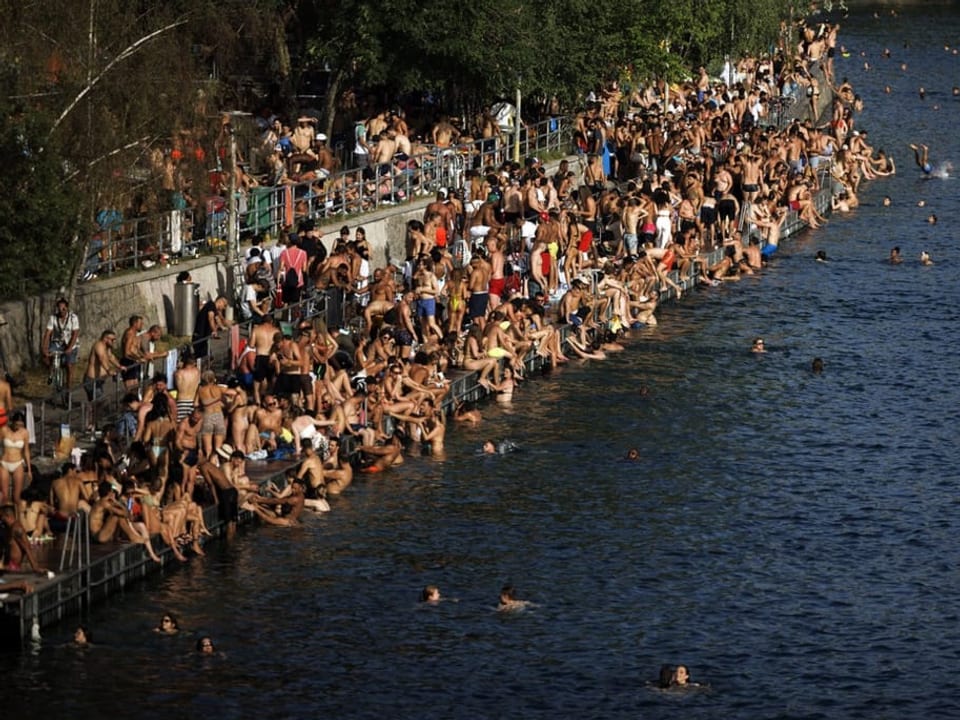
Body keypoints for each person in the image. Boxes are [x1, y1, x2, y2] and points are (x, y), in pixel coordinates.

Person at [42, 297, 80, 390]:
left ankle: (68, 387)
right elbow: (47, 334)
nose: (61, 310)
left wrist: (70, 348)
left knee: (69, 365)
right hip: (57, 344)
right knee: (46, 358)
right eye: (59, 308)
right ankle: (51, 373)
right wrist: (44, 349)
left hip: (71, 344)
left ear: (67, 308)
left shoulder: (73, 318)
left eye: (63, 308)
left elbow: (75, 334)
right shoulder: (53, 318)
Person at [0, 503, 47, 574]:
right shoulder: (10, 528)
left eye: (1, 517)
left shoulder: (17, 529)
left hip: (11, 567)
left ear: (7, 516)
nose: (1, 519)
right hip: (8, 566)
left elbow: (27, 548)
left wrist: (35, 567)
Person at [0, 411, 31, 512]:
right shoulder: (4, 430)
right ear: (12, 422)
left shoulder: (25, 432)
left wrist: (29, 469)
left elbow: (26, 451)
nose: (18, 427)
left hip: (18, 463)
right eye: (17, 424)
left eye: (21, 425)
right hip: (4, 463)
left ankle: (18, 519)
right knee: (4, 496)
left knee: (16, 497)